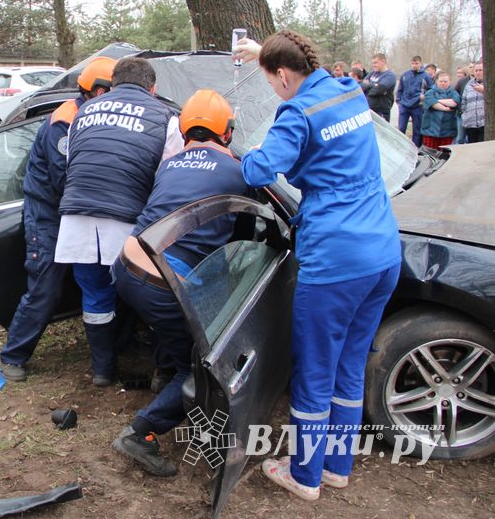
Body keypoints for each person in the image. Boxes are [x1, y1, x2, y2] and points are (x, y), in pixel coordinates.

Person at [233, 30, 401, 501]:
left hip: (336, 261)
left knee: (314, 372)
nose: (273, 90)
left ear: (284, 76)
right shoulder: (346, 88)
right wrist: (259, 53)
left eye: (270, 80)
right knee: (348, 366)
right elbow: (297, 57)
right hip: (382, 251)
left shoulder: (296, 112)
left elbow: (262, 170)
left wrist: (240, 155)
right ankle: (335, 467)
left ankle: (304, 476)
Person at [111, 90, 250, 477]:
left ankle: (164, 374)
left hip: (126, 265)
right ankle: (142, 432)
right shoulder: (237, 171)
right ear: (227, 132)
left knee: (173, 330)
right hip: (162, 277)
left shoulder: (170, 165)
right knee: (203, 366)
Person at [55, 56, 184, 386]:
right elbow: (170, 176)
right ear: (152, 88)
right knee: (149, 293)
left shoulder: (83, 111)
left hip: (77, 218)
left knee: (95, 293)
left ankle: (102, 370)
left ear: (113, 82)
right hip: (128, 219)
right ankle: (162, 370)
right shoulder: (165, 117)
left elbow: (72, 161)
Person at [0, 57, 116, 382]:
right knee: (46, 286)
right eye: (115, 91)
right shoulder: (65, 122)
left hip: (80, 211)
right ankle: (14, 356)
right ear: (98, 90)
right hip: (49, 213)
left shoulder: (98, 115)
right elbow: (66, 180)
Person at [396, 55, 433, 146]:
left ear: (420, 63)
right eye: (412, 63)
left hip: (418, 106)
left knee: (417, 129)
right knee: (401, 128)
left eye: (416, 63)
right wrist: (399, 101)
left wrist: (424, 97)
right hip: (404, 105)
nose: (414, 65)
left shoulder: (425, 76)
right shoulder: (405, 75)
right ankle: (400, 146)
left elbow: (431, 90)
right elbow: (400, 89)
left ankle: (415, 148)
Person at [420, 72, 460, 150]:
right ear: (436, 81)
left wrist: (437, 100)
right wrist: (445, 108)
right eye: (441, 81)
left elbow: (454, 103)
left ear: (450, 82)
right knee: (429, 152)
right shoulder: (430, 92)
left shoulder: (454, 93)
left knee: (445, 154)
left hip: (448, 130)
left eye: (445, 81)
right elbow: (434, 105)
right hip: (430, 130)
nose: (443, 83)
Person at [360, 53, 397, 121]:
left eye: (376, 62)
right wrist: (374, 85)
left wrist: (368, 86)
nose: (373, 65)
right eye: (373, 63)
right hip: (369, 110)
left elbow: (378, 90)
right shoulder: (372, 73)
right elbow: (361, 87)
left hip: (381, 112)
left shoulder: (390, 76)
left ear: (383, 61)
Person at [461, 61, 486, 143]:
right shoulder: (468, 85)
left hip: (485, 123)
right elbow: (463, 102)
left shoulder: (490, 83)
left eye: (481, 70)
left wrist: (484, 91)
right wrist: (464, 116)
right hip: (471, 123)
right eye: (476, 70)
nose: (478, 72)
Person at [454, 65, 472, 144]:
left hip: (473, 115)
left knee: (471, 138)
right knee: (460, 138)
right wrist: (459, 107)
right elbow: (455, 95)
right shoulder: (461, 82)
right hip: (461, 113)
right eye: (470, 67)